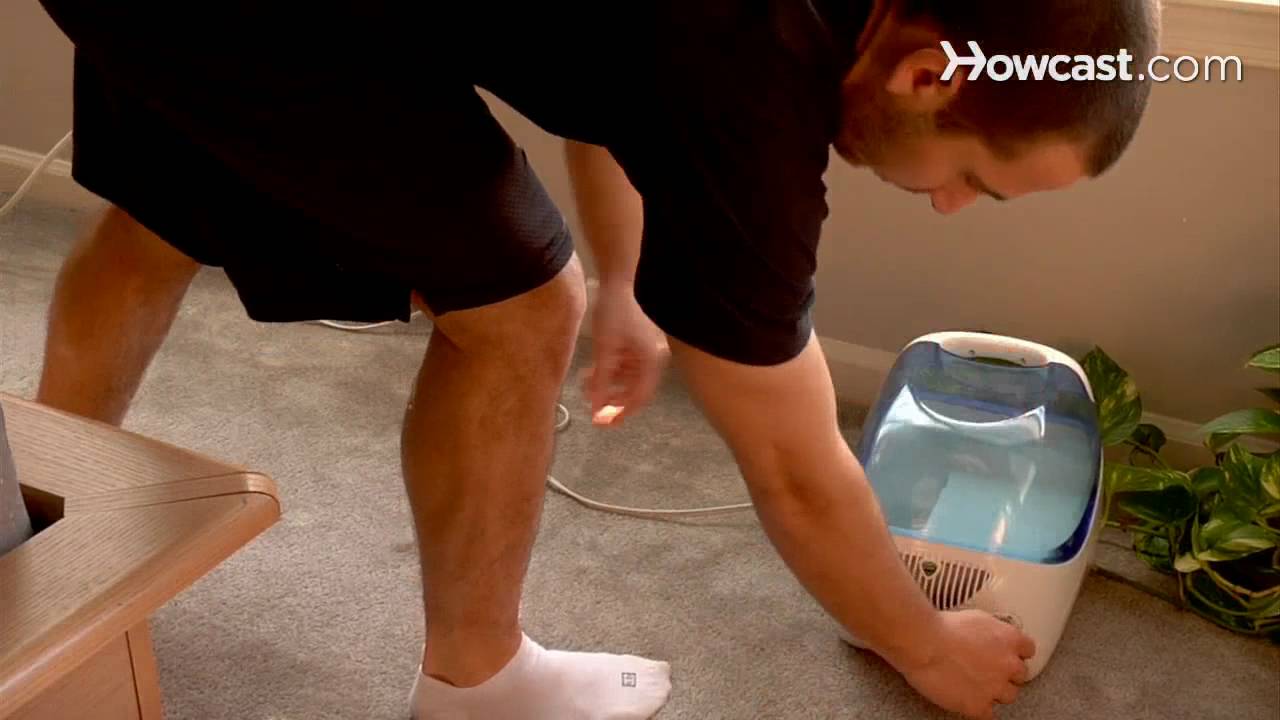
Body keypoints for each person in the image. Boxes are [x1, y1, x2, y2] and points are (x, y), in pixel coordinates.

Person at [28, 1, 1158, 718]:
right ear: (930, 76)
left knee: (164, 209)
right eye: (977, 179)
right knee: (521, 310)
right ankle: (480, 685)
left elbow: (612, 55)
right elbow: (795, 468)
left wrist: (626, 278)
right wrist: (926, 647)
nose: (951, 207)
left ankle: (36, 530)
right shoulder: (756, 87)